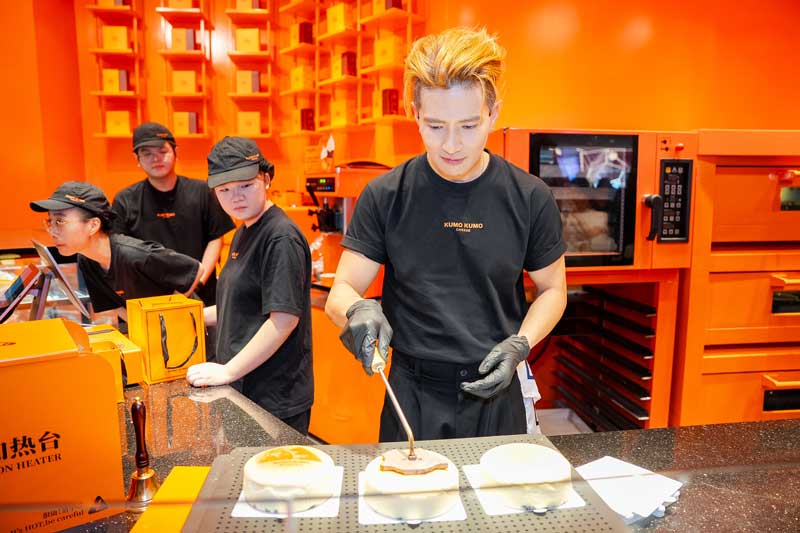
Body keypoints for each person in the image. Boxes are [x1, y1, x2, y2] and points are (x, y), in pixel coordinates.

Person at [325, 27, 567, 441]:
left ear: (493, 113)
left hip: (497, 384)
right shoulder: (386, 195)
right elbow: (342, 290)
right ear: (415, 113)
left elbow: (553, 290)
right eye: (435, 126)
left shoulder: (529, 197)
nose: (451, 145)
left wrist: (521, 344)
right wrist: (358, 310)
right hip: (412, 391)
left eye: (469, 126)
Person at [185, 137, 314, 435]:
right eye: (224, 190)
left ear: (266, 178)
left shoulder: (280, 237)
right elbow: (241, 305)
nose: (236, 197)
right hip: (246, 387)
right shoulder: (244, 230)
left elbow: (283, 320)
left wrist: (228, 371)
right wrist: (188, 317)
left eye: (245, 185)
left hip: (273, 396)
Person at [30, 181, 204, 324]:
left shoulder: (134, 254)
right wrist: (143, 326)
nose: (52, 231)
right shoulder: (86, 260)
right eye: (50, 221)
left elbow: (196, 270)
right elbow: (113, 304)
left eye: (60, 221)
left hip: (189, 329)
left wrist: (164, 318)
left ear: (93, 225)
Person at [111, 122, 235, 307]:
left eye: (163, 151)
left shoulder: (203, 191)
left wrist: (196, 283)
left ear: (176, 152)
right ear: (137, 159)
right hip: (149, 300)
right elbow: (120, 251)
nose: (156, 159)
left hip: (202, 295)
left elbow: (216, 238)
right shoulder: (125, 200)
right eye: (147, 154)